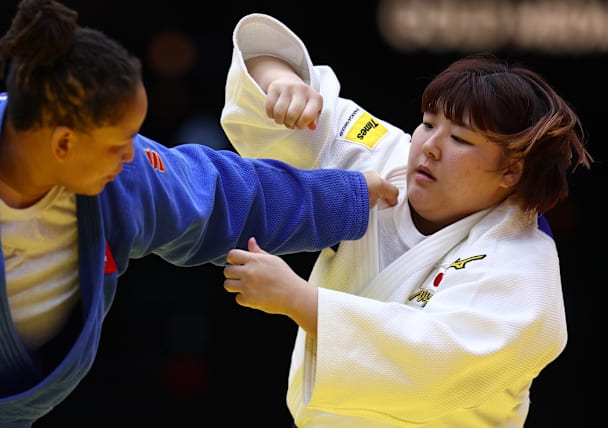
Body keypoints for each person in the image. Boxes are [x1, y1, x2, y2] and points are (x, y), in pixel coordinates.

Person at [0, 3, 401, 427]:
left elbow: (226, 195)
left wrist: (348, 196)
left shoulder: (120, 175)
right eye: (118, 143)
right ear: (63, 142)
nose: (130, 155)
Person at [220, 13, 592, 427]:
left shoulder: (523, 266)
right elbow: (263, 63)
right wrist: (282, 83)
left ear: (511, 170)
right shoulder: (383, 159)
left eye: (459, 138)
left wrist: (298, 299)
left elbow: (438, 365)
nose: (429, 146)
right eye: (429, 124)